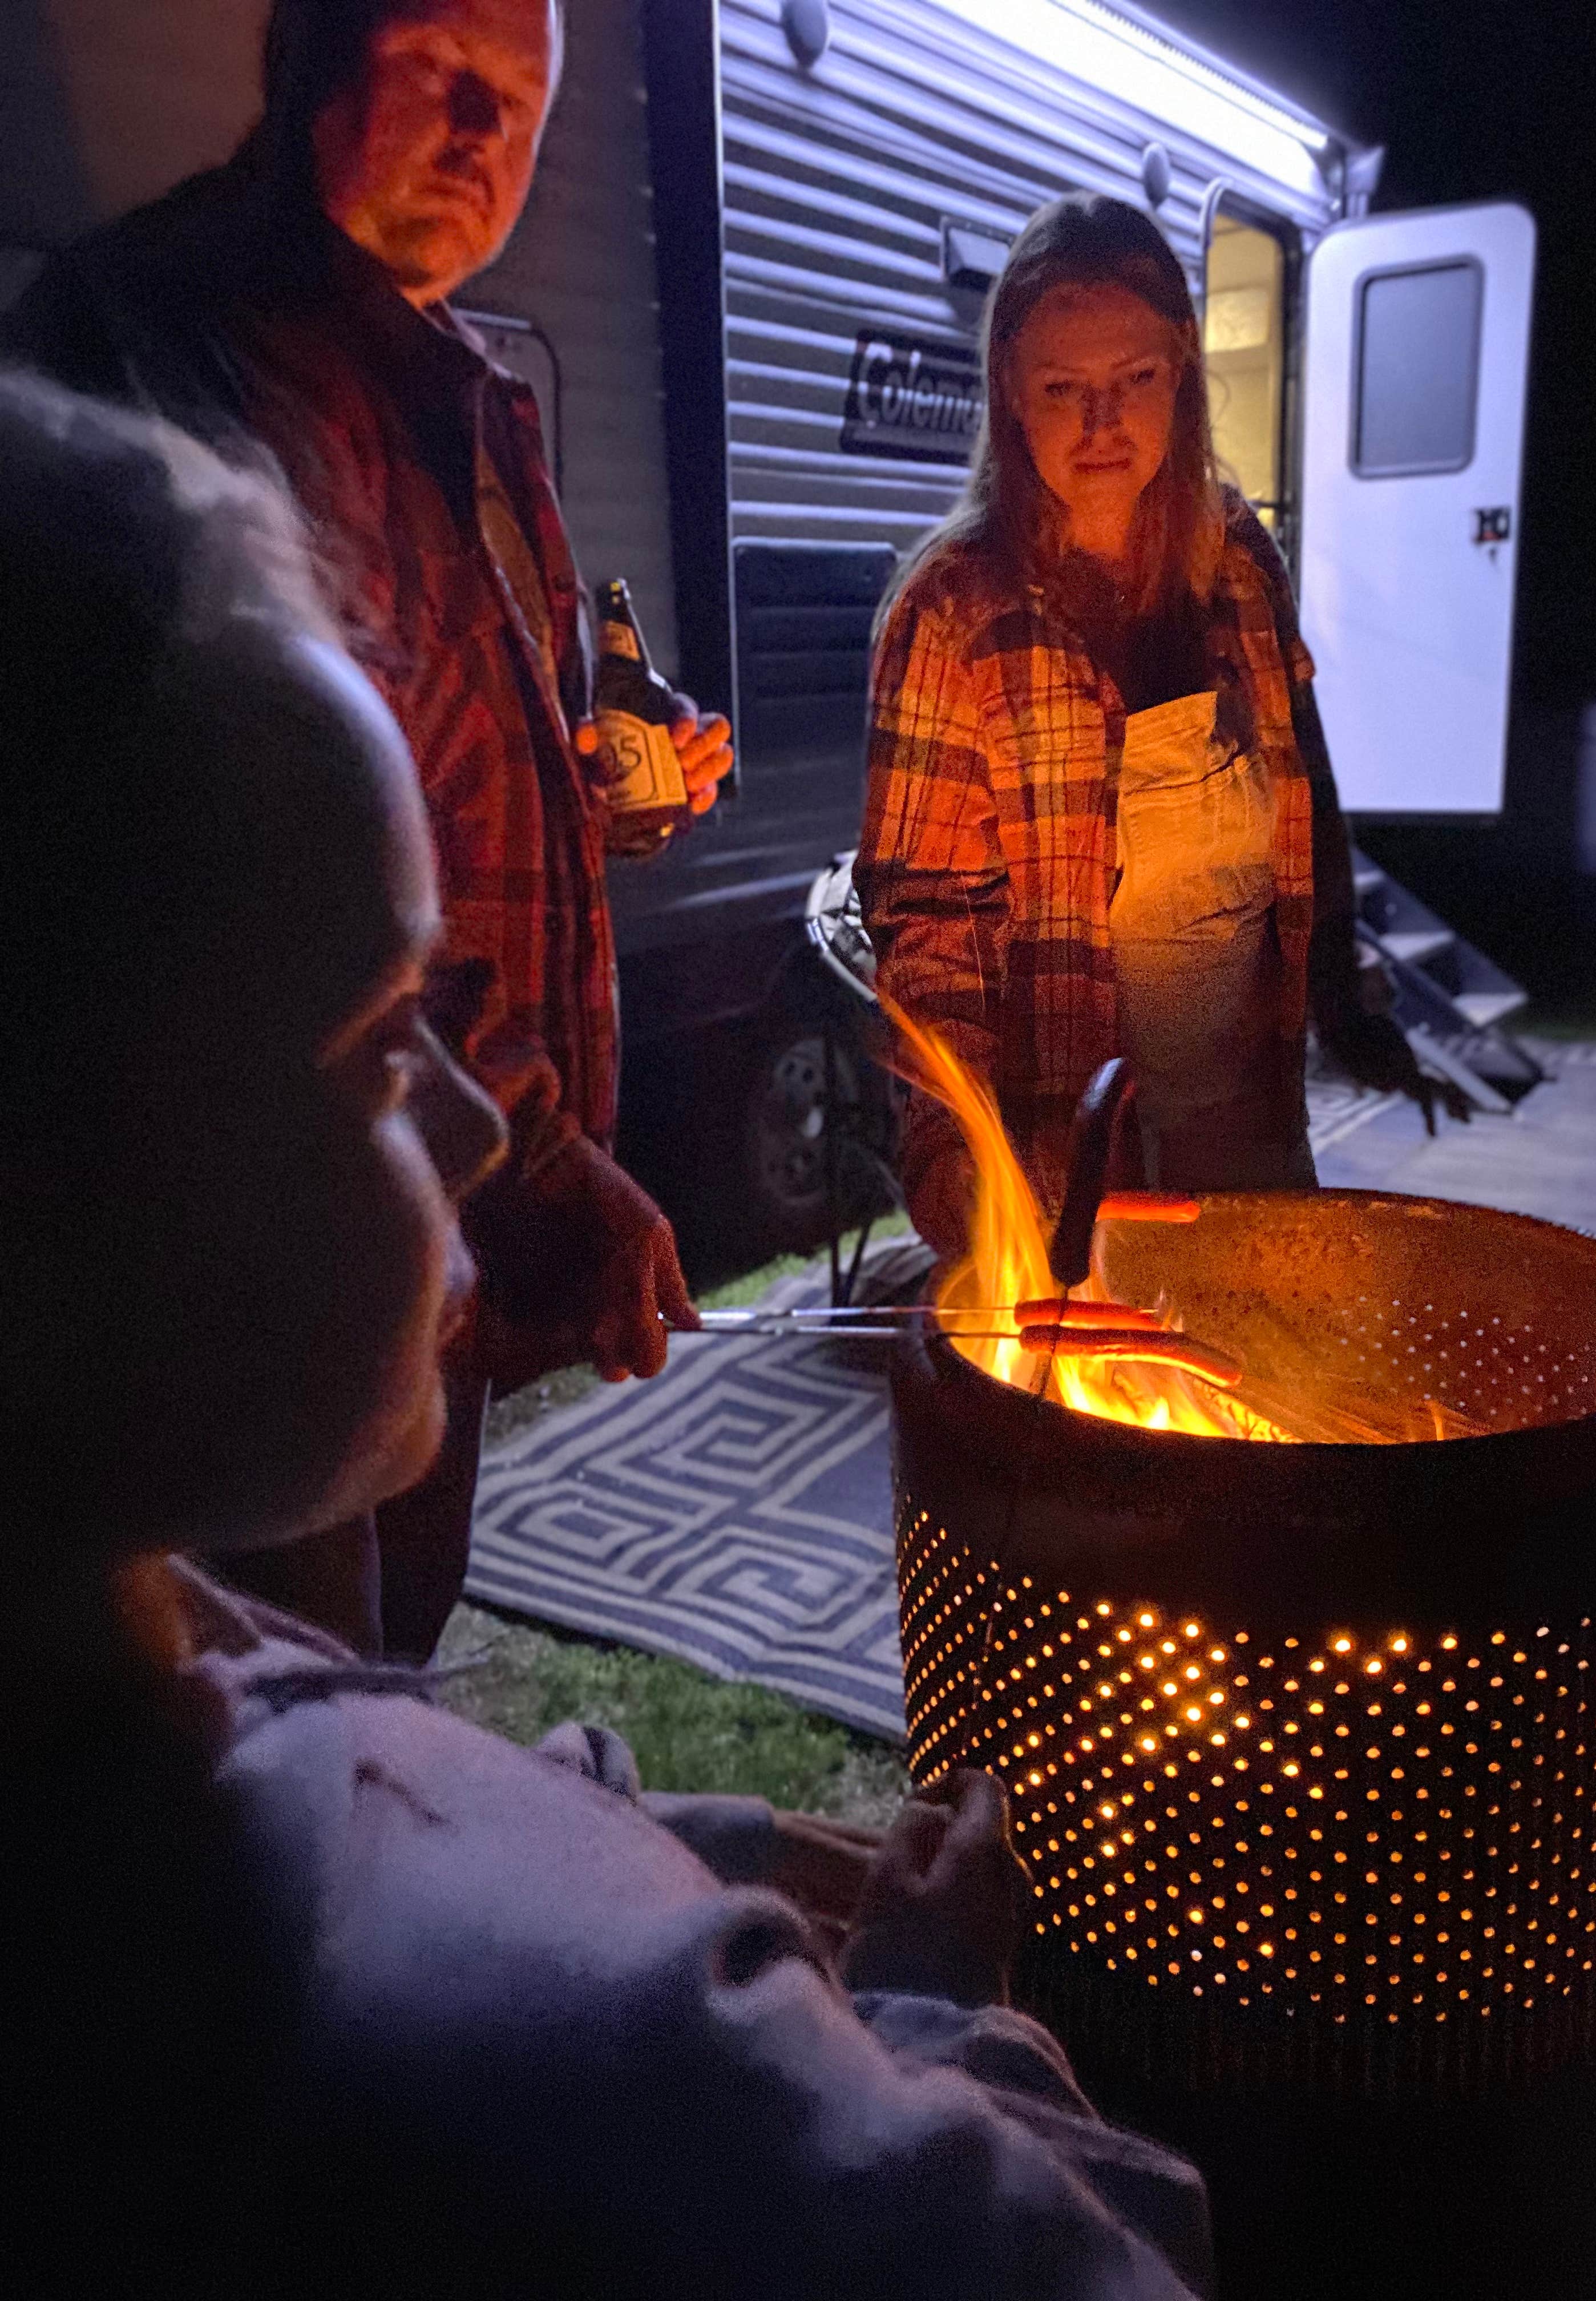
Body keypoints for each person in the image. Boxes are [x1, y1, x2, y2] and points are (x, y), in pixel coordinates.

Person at [0, 370, 1212, 2299]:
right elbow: (1099, 2265)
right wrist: (927, 2008)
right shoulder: (589, 2062)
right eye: (378, 1046)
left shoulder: (144, 1661)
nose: (477, 1122)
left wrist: (648, 1822)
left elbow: (341, 1738)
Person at [2, 0, 732, 1662]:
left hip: (428, 1240)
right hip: (264, 1260)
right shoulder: (178, 351)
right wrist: (546, 1154)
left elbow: (475, 750)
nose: (487, 142)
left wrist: (611, 770)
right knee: (287, 1698)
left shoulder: (457, 386)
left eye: (522, 107)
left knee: (393, 1648)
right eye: (444, 76)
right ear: (313, 52)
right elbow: (274, 876)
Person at [855, 195, 1465, 1263]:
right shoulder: (952, 615)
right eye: (1063, 390)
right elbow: (928, 922)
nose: (1102, 424)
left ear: (1182, 371)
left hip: (1254, 1154)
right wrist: (957, 1160)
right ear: (1009, 392)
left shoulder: (1236, 562)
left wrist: (1346, 1004)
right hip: (1073, 1187)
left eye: (1134, 380)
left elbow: (1306, 793)